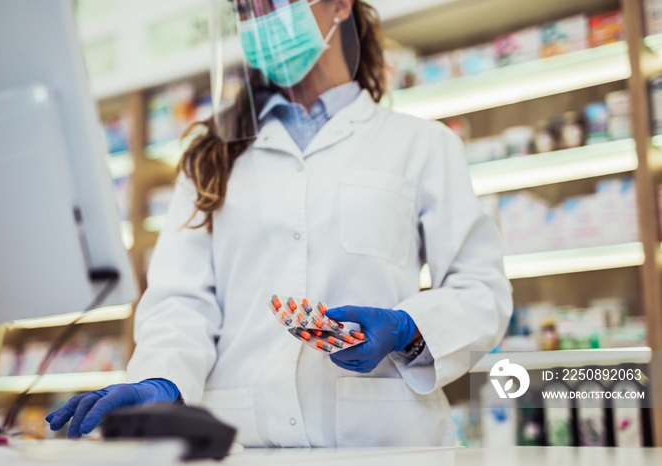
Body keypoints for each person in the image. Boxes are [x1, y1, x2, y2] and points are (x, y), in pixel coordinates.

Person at [46, 0, 512, 447]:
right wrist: (161, 379)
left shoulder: (422, 145)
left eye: (280, 1)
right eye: (247, 9)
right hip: (245, 440)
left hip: (383, 439)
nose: (262, 20)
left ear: (340, 5)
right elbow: (180, 301)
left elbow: (481, 292)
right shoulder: (210, 156)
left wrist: (407, 327)